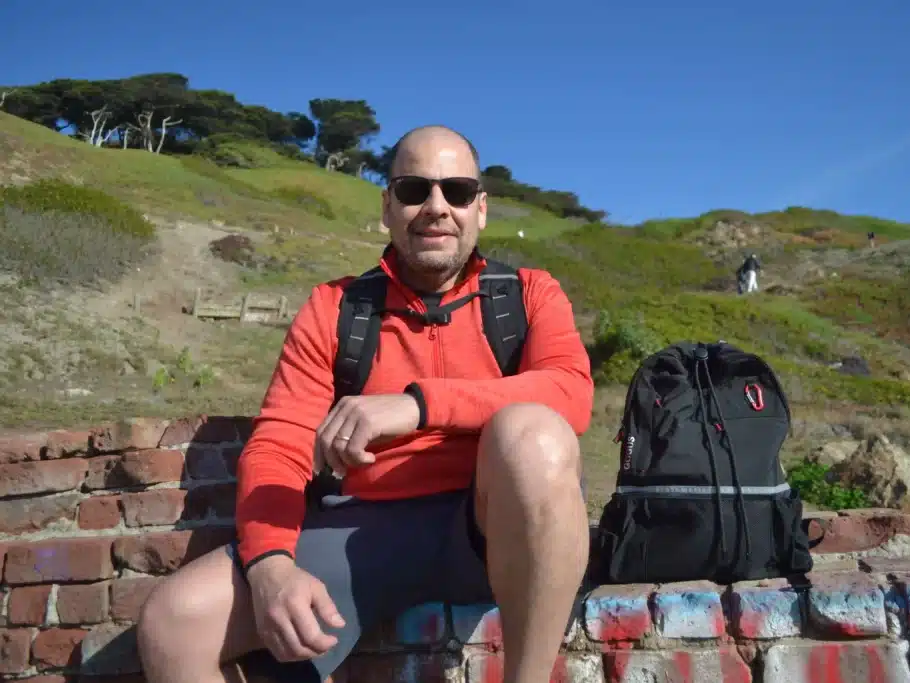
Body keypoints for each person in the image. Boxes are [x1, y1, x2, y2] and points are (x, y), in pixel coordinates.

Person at [135, 125, 595, 683]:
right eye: (412, 190)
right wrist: (272, 567)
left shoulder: (529, 293)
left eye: (455, 190)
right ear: (386, 207)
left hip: (493, 526)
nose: (435, 207)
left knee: (535, 433)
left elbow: (569, 392)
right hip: (365, 529)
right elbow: (280, 443)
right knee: (173, 625)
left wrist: (416, 405)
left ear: (481, 208)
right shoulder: (334, 308)